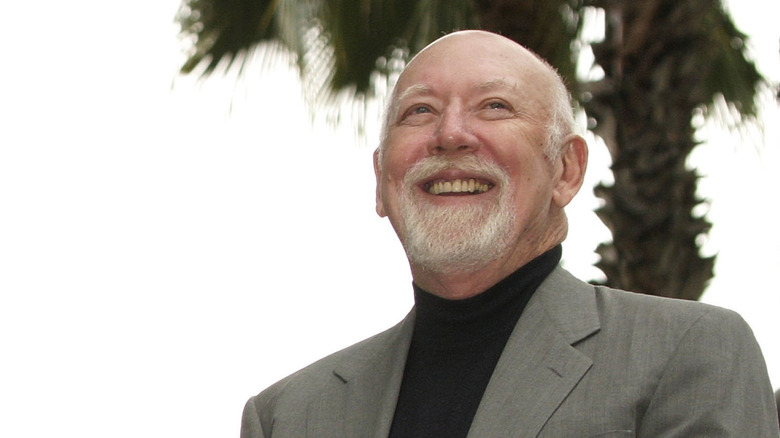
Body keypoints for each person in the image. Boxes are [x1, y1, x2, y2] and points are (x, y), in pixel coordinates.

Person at [241, 30, 779, 437]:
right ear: (383, 182)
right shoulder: (287, 416)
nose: (449, 134)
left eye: (494, 106)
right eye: (420, 111)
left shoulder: (687, 354)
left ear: (566, 170)